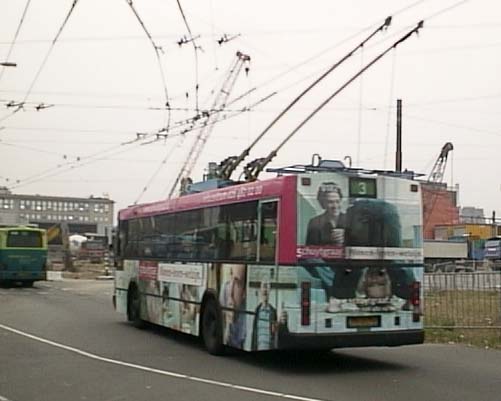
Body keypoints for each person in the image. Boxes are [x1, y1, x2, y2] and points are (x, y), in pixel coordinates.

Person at [221, 264, 247, 348]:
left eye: (237, 283)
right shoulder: (225, 288)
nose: (230, 292)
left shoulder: (247, 324)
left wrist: (230, 323)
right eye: (231, 276)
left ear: (244, 293)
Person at [251, 281, 278, 351]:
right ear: (260, 290)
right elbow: (254, 334)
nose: (265, 290)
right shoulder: (257, 311)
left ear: (270, 291)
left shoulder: (273, 312)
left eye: (267, 287)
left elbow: (275, 333)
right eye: (263, 287)